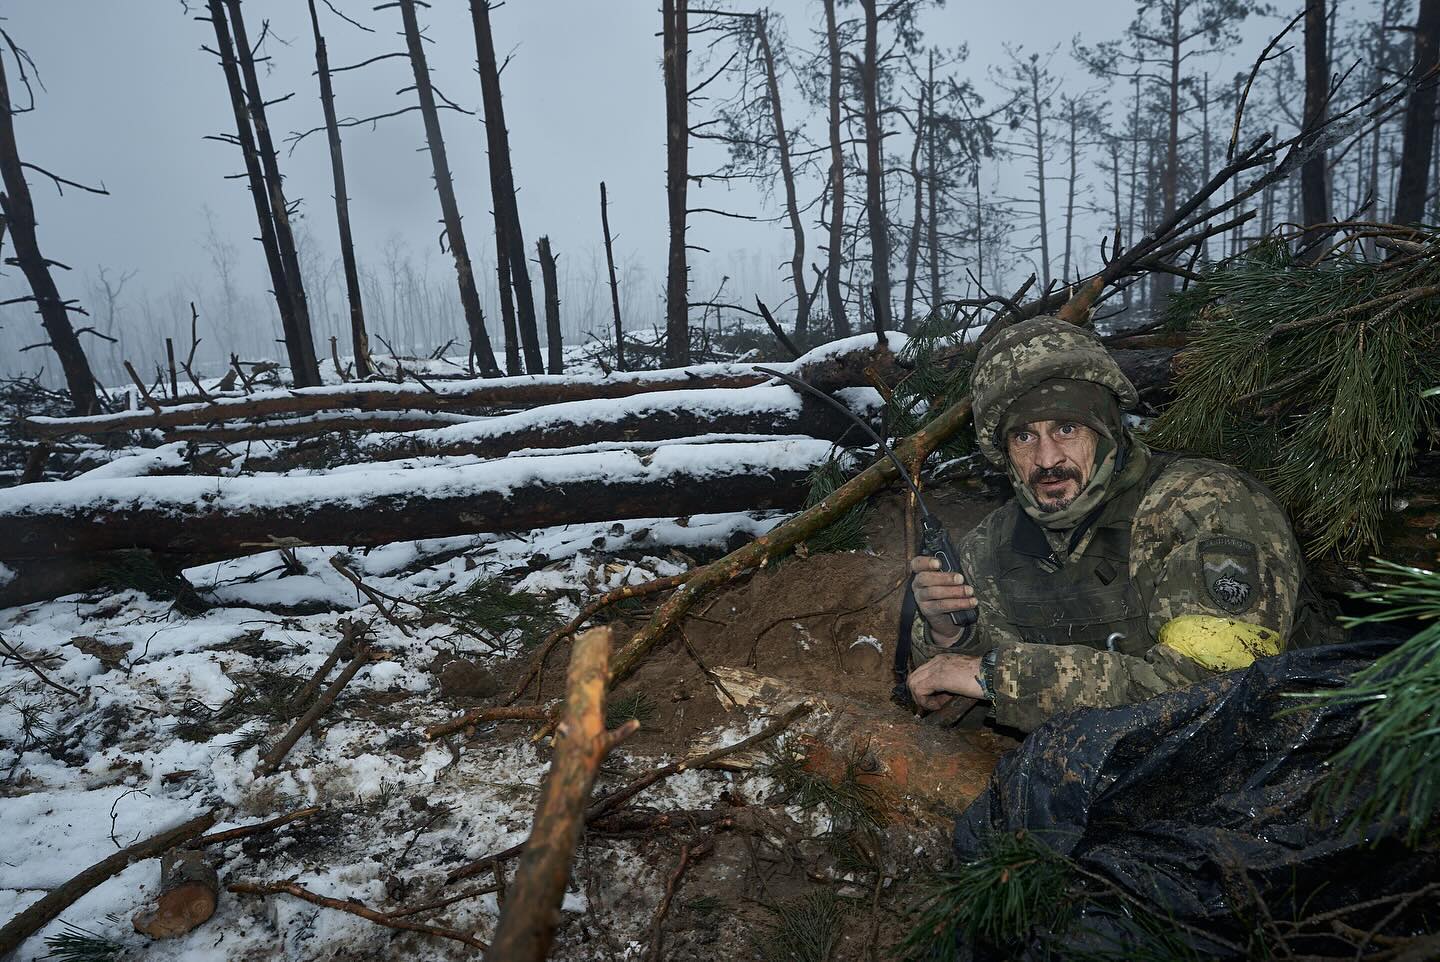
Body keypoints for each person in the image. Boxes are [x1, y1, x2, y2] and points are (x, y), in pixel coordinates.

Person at [905, 316, 1337, 732]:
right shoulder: (990, 546)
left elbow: (1216, 688)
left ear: (1107, 429)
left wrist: (999, 678)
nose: (1047, 459)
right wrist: (949, 636)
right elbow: (958, 710)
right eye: (1024, 436)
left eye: (1067, 428)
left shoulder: (1203, 504)